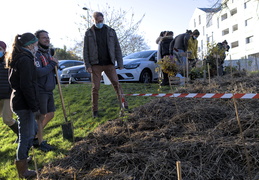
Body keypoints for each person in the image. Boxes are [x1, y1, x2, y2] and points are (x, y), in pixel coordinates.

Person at [83, 11, 128, 118]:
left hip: (109, 63)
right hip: (96, 65)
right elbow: (85, 50)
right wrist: (87, 65)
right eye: (98, 21)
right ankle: (95, 111)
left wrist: (120, 63)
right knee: (96, 88)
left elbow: (117, 47)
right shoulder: (88, 33)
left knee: (117, 85)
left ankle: (124, 106)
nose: (100, 23)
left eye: (101, 21)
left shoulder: (111, 31)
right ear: (93, 20)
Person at [6, 32, 39, 179]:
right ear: (30, 45)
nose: (37, 47)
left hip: (19, 100)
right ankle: (23, 170)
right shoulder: (25, 59)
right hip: (23, 103)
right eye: (36, 44)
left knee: (30, 133)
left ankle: (24, 158)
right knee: (26, 136)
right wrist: (34, 106)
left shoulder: (19, 57)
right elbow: (26, 85)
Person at [34, 30, 58, 152]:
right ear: (37, 40)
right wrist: (51, 64)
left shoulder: (48, 53)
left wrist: (54, 65)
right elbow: (39, 72)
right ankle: (39, 141)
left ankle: (35, 135)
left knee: (51, 114)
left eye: (48, 37)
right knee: (40, 117)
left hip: (49, 89)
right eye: (44, 38)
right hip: (40, 90)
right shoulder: (36, 54)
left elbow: (50, 70)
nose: (47, 39)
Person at [0, 41, 18, 138]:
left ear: (4, 50)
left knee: (7, 119)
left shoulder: (9, 61)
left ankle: (21, 135)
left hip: (7, 95)